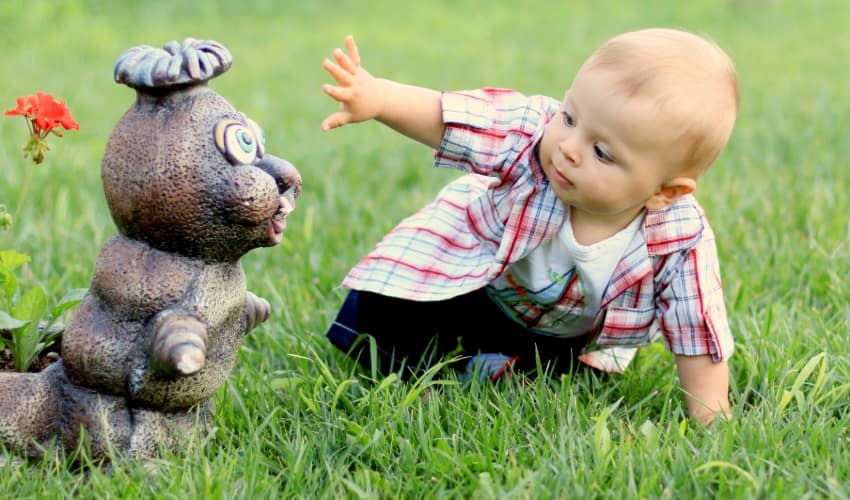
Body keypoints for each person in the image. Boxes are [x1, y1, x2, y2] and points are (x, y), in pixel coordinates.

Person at [320, 28, 738, 423]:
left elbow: (697, 330)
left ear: (665, 191)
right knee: (383, 307)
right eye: (570, 117)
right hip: (473, 288)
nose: (569, 149)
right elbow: (458, 120)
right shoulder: (532, 136)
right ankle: (427, 374)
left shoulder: (679, 242)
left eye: (603, 153)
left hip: (560, 336)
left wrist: (711, 421)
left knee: (563, 373)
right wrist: (377, 98)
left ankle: (491, 367)